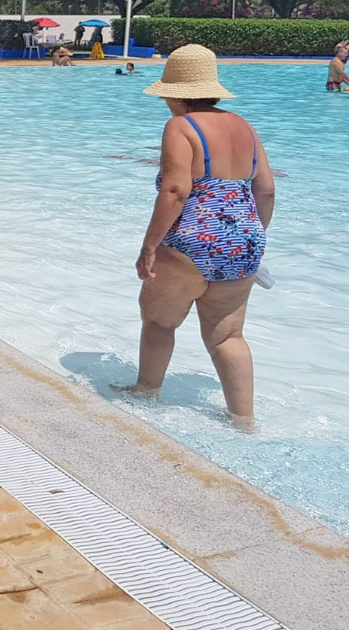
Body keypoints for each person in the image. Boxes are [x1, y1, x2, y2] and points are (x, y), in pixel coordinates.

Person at [117, 44, 275, 424]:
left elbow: (175, 191)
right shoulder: (245, 127)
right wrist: (247, 237)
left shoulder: (180, 127)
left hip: (191, 241)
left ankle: (146, 393)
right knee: (227, 336)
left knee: (160, 321)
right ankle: (243, 421)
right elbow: (266, 190)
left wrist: (149, 247)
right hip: (244, 241)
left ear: (174, 94)